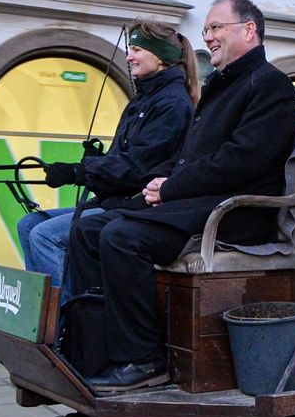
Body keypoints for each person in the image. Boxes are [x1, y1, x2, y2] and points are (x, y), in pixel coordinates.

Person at [68, 0, 295, 393]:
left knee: (121, 238)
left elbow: (242, 161)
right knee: (88, 230)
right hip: (199, 201)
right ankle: (96, 349)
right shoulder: (222, 83)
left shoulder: (271, 86)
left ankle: (142, 360)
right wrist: (156, 182)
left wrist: (172, 187)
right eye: (206, 29)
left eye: (216, 28)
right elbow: (188, 155)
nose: (207, 36)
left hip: (235, 213)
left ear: (249, 31)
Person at [16, 19, 198, 298]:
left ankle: (66, 326)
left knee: (46, 237)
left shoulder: (172, 103)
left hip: (133, 206)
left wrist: (78, 171)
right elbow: (123, 158)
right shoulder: (143, 99)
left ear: (161, 57)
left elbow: (139, 167)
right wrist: (96, 160)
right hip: (111, 199)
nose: (129, 57)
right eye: (130, 49)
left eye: (137, 49)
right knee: (27, 224)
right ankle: (41, 317)